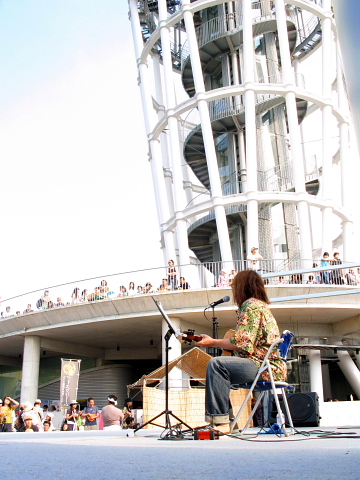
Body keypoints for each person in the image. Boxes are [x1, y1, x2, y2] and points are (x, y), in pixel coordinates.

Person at [196, 270, 286, 433]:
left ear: (242, 287)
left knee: (217, 365)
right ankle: (228, 422)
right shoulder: (261, 305)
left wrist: (211, 342)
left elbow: (243, 343)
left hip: (263, 367)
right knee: (220, 370)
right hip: (271, 366)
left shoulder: (250, 306)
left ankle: (221, 422)